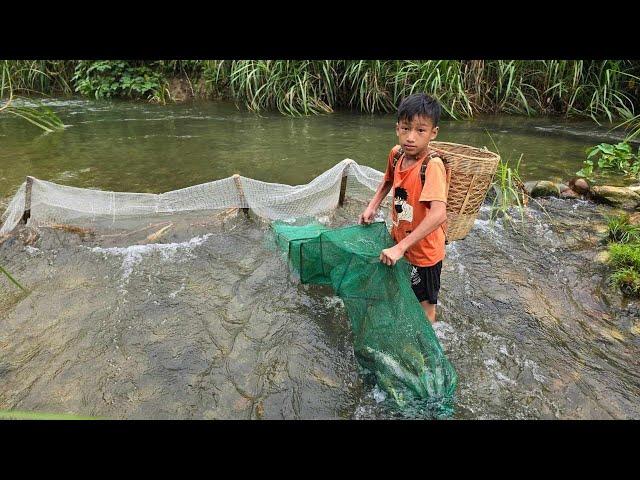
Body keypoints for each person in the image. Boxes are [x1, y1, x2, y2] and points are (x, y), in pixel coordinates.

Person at [358, 93, 449, 324]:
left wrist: (400, 248)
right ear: (397, 128)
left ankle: (426, 348)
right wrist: (372, 207)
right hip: (400, 239)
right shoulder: (396, 154)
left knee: (425, 307)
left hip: (424, 254)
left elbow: (439, 214)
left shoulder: (432, 166)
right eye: (406, 128)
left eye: (420, 131)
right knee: (400, 288)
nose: (411, 137)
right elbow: (388, 181)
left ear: (433, 133)